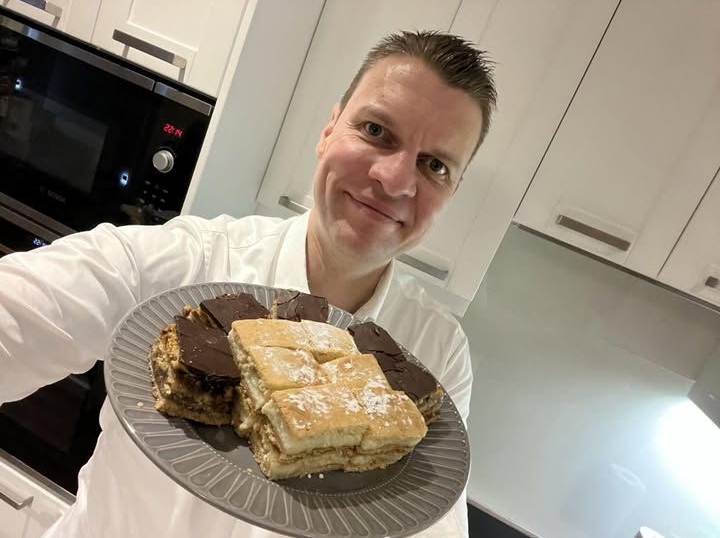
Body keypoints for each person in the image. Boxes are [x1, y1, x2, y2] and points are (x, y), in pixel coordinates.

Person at [0, 30, 496, 537]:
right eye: (376, 130)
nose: (395, 179)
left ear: (452, 191)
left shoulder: (438, 350)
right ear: (329, 131)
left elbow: (430, 524)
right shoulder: (192, 263)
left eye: (435, 165)